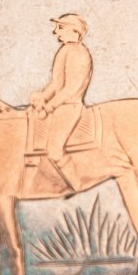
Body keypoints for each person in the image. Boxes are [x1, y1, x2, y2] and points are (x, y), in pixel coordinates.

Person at [29, 14, 93, 191]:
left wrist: (50, 106)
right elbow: (57, 83)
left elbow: (71, 88)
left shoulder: (79, 53)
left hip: (69, 107)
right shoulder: (65, 50)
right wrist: (43, 97)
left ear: (75, 31)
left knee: (54, 149)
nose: (56, 32)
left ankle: (77, 185)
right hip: (59, 106)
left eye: (61, 28)